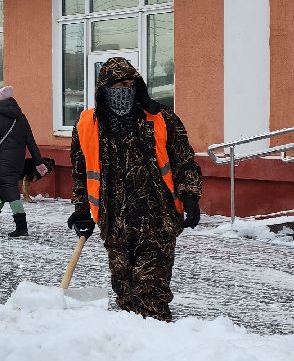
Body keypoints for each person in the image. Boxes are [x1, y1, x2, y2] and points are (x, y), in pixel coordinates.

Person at [68, 56, 203, 322]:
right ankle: (133, 355)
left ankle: (158, 351)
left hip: (157, 220)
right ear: (103, 89)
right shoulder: (87, 125)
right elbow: (81, 173)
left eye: (130, 84)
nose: (124, 91)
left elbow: (185, 161)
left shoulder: (161, 118)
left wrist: (190, 196)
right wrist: (82, 211)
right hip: (114, 223)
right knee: (125, 293)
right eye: (117, 85)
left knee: (150, 294)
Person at [0, 85, 48, 238]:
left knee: (10, 192)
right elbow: (31, 141)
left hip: (2, 161)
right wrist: (38, 162)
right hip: (17, 161)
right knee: (4, 190)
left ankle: (21, 227)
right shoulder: (21, 117)